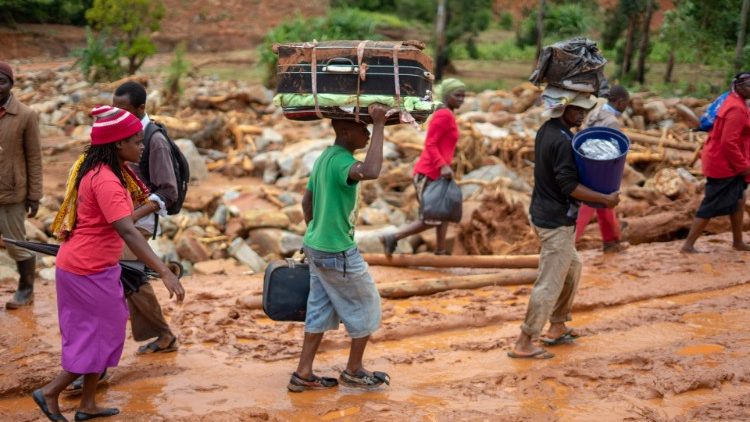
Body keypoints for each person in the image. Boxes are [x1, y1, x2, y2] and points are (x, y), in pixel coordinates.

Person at [33, 106, 185, 422]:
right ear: (117, 144)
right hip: (86, 269)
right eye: (136, 141)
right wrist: (164, 271)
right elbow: (127, 230)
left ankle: (87, 404)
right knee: (94, 336)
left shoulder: (106, 172)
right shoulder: (107, 181)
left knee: (104, 332)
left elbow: (123, 220)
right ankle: (49, 392)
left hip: (90, 266)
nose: (142, 147)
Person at [508, 88, 619, 359]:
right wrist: (604, 199)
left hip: (544, 213)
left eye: (583, 110)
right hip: (556, 220)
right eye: (577, 110)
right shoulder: (563, 142)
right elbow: (569, 185)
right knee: (550, 281)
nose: (581, 114)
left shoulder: (547, 130)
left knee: (573, 267)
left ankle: (557, 326)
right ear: (563, 109)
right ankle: (525, 341)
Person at [288, 103, 391, 392]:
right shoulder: (342, 162)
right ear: (345, 131)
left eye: (370, 128)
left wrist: (315, 230)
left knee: (319, 308)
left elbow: (306, 203)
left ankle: (303, 373)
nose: (368, 133)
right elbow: (371, 170)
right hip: (336, 250)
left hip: (316, 245)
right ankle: (354, 370)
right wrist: (381, 123)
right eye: (363, 128)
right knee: (367, 304)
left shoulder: (324, 157)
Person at [112, 81, 180, 355]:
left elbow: (168, 190)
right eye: (114, 108)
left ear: (141, 108)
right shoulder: (123, 133)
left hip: (137, 219)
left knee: (131, 277)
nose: (117, 113)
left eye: (123, 109)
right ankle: (161, 335)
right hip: (124, 216)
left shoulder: (155, 140)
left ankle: (163, 335)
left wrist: (131, 215)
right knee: (131, 276)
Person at [380, 78, 466, 256]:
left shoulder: (447, 113)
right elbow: (430, 144)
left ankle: (441, 250)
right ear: (447, 96)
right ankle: (394, 237)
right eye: (457, 95)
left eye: (463, 96)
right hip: (429, 173)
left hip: (439, 174)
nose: (461, 99)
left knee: (444, 212)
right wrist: (442, 165)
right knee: (431, 217)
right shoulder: (444, 115)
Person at [682, 72, 750, 253]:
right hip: (723, 163)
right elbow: (729, 143)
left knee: (739, 199)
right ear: (740, 87)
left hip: (727, 160)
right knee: (710, 204)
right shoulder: (736, 109)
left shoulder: (734, 101)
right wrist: (743, 167)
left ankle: (738, 241)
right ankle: (688, 245)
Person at [0, 61, 43, 309]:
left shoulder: (25, 115)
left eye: (2, 82)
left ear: (11, 84)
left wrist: (34, 195)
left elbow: (34, 158)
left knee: (16, 245)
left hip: (12, 194)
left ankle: (26, 289)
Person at [575, 85, 630, 253]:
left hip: (585, 164)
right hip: (602, 169)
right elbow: (614, 151)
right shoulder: (612, 122)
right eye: (626, 104)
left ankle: (612, 242)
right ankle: (569, 243)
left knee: (604, 206)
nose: (626, 107)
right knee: (588, 208)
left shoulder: (595, 112)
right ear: (620, 102)